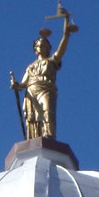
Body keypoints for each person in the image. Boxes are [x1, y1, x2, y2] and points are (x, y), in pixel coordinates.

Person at [11, 8, 76, 139]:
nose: (40, 47)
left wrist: (66, 29)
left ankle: (49, 136)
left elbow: (62, 46)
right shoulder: (31, 66)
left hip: (46, 89)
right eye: (38, 45)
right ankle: (35, 138)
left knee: (47, 112)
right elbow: (23, 84)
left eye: (43, 45)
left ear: (48, 48)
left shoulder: (52, 61)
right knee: (33, 117)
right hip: (31, 91)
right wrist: (15, 84)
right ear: (35, 50)